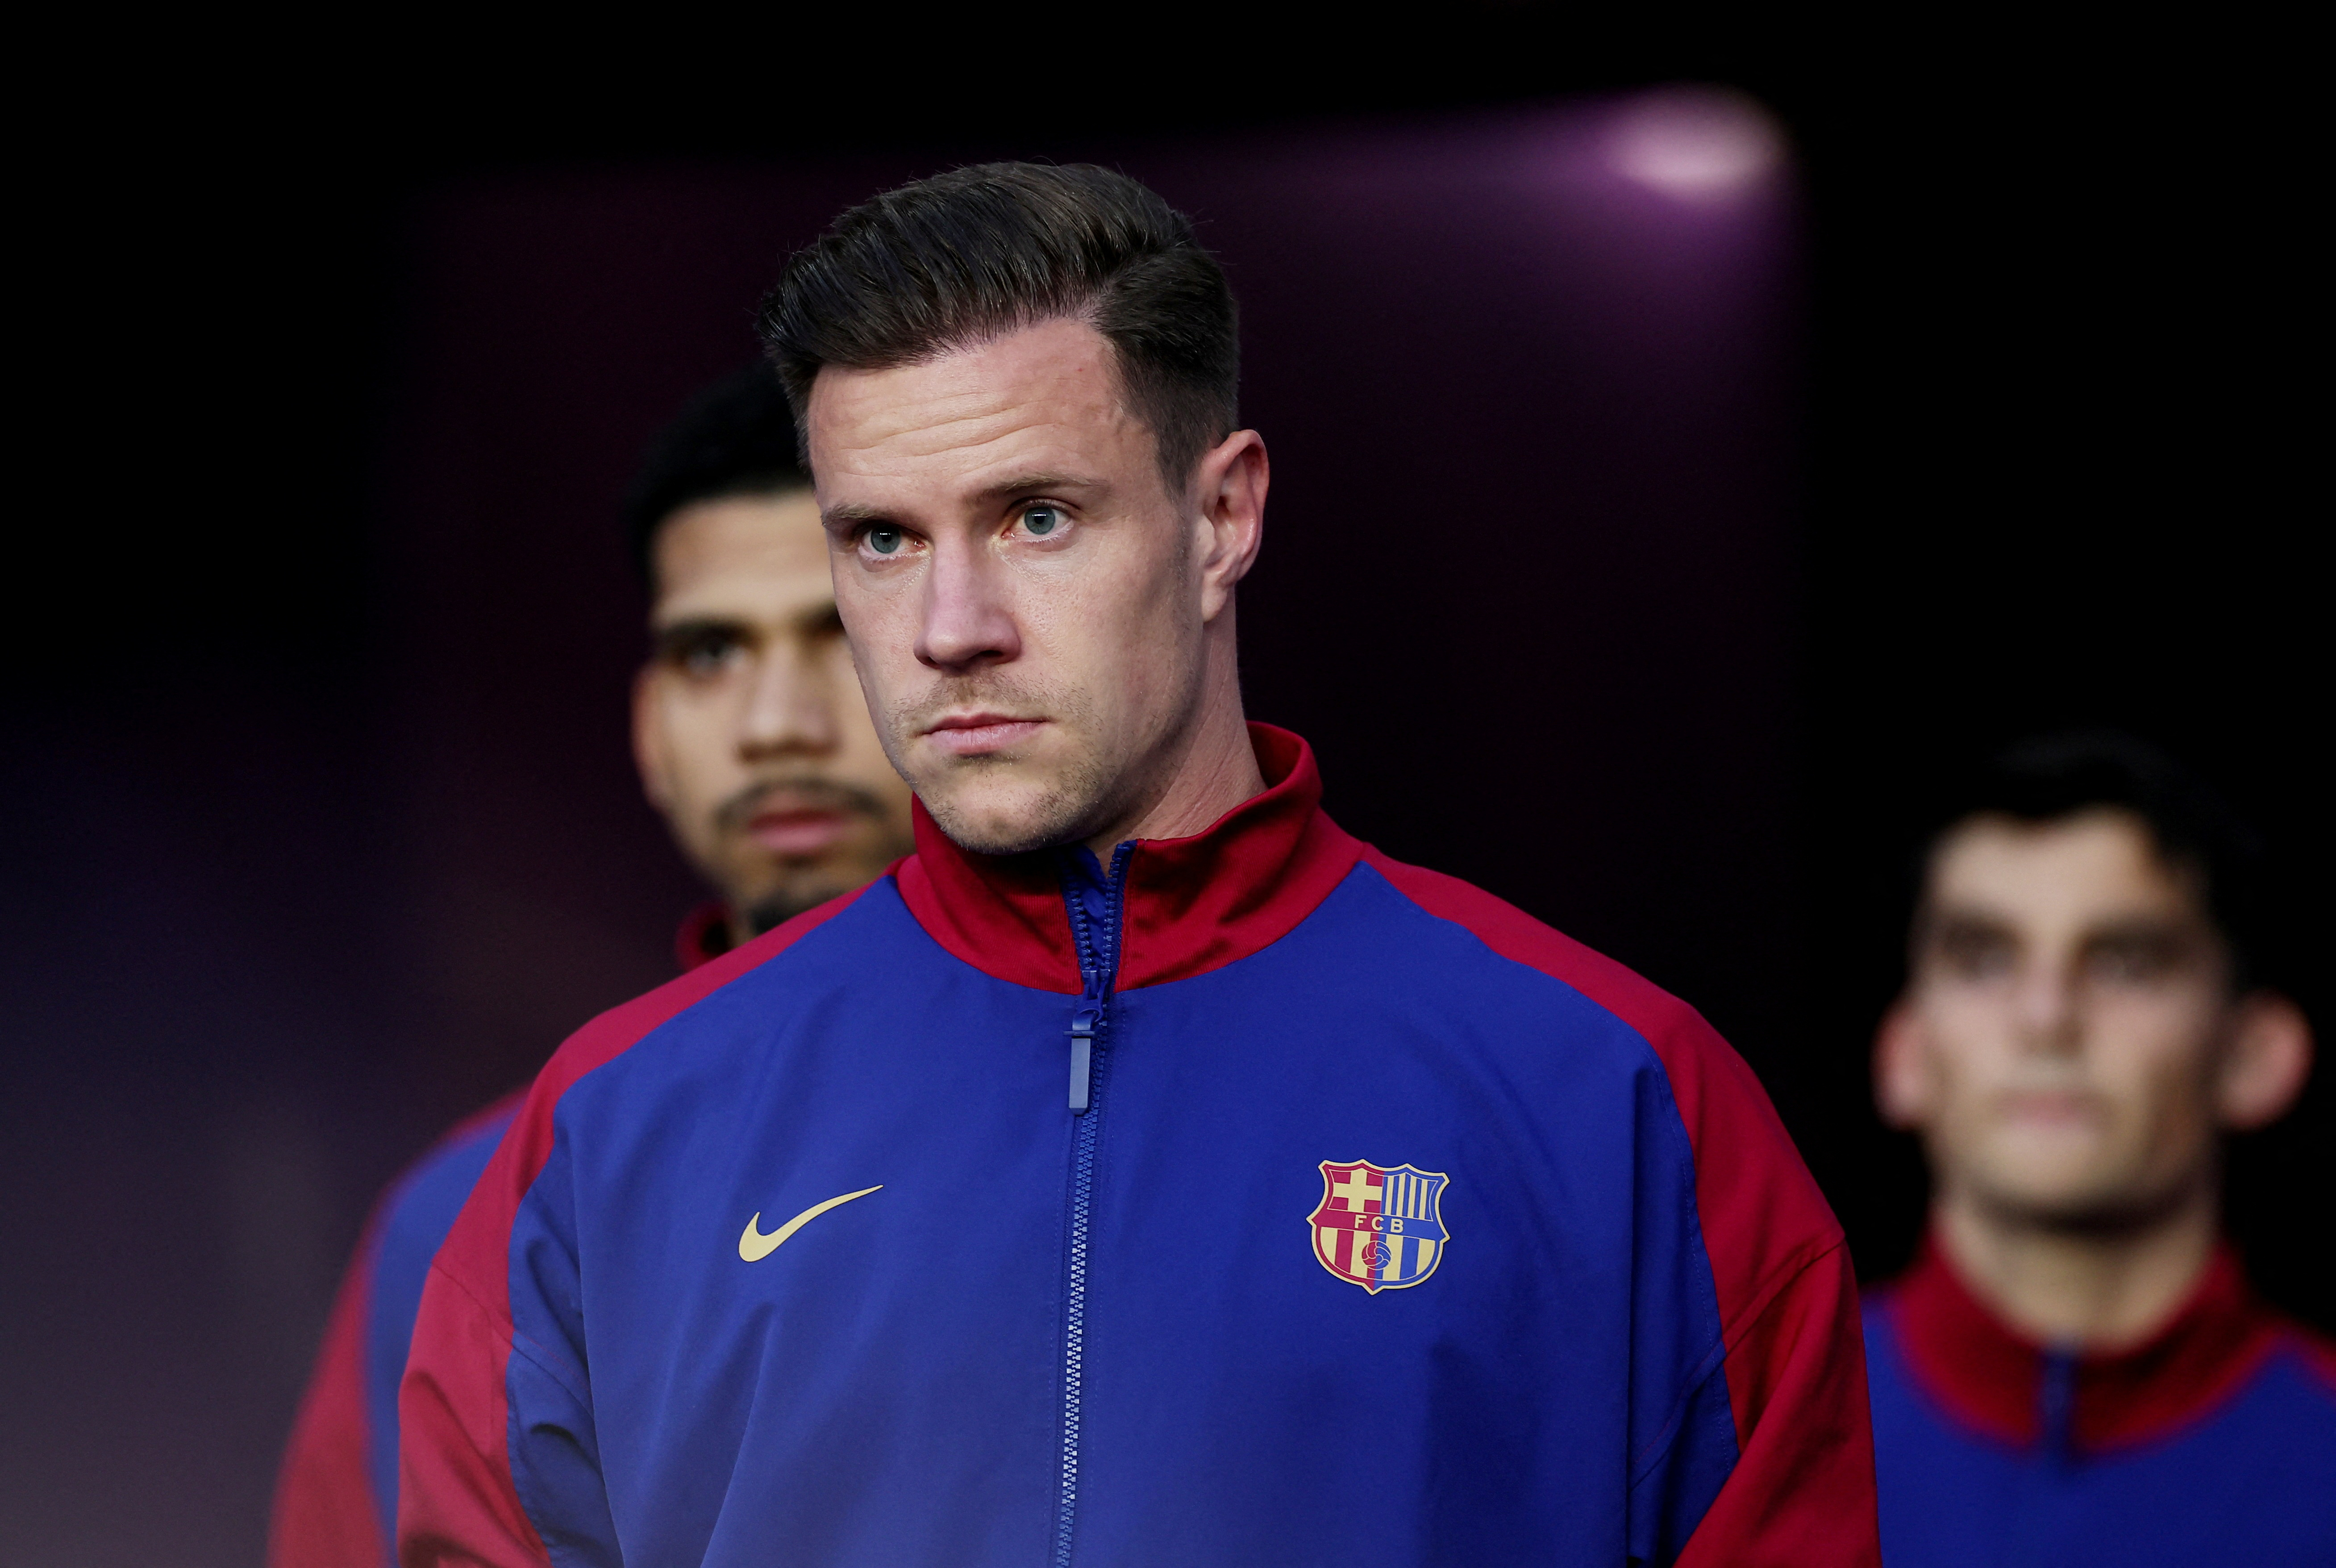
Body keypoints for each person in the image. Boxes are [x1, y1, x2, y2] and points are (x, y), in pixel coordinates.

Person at [399, 162, 1879, 1568]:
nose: (950, 627)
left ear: (1222, 515)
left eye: (1035, 517)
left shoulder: (1616, 1100)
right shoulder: (618, 1132)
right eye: (883, 539)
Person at [266, 365, 914, 1567]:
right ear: (650, 729)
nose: (777, 722)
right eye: (712, 652)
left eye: (841, 635)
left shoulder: (1124, 1113)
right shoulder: (475, 1212)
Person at [1864, 733, 2335, 1565]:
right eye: (1983, 960)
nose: (2046, 1019)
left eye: (2124, 964)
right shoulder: (1752, 1436)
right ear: (1902, 1054)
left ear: (2252, 1055)